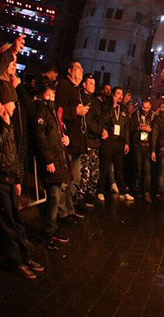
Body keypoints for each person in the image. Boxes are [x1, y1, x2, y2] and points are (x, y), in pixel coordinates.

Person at [0, 77, 43, 278]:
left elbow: (13, 154)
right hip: (0, 180)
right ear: (2, 103)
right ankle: (15, 260)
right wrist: (5, 124)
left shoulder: (7, 123)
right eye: (13, 103)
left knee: (16, 220)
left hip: (10, 180)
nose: (16, 107)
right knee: (6, 221)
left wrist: (18, 179)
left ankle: (24, 256)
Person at [34, 81, 71, 251]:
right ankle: (48, 232)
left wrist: (66, 138)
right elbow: (40, 136)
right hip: (50, 161)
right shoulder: (41, 109)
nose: (51, 98)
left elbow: (57, 132)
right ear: (42, 94)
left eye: (53, 95)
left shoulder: (53, 110)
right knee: (54, 197)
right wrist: (48, 159)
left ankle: (52, 229)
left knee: (55, 197)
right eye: (48, 95)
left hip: (58, 158)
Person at [54, 60, 87, 220]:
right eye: (78, 68)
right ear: (69, 70)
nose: (81, 71)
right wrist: (76, 110)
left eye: (82, 69)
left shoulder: (76, 90)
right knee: (66, 180)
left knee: (75, 179)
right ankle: (62, 211)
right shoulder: (64, 86)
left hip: (77, 141)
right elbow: (58, 111)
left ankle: (69, 208)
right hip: (68, 141)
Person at [97, 87, 133, 203]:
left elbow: (126, 127)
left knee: (119, 167)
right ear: (113, 95)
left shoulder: (123, 108)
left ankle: (123, 191)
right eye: (118, 94)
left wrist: (127, 142)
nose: (120, 96)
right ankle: (100, 191)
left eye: (121, 94)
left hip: (119, 141)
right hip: (109, 140)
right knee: (105, 165)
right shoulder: (106, 106)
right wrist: (112, 107)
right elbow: (103, 120)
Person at [79, 74, 103, 207]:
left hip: (95, 142)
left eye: (94, 84)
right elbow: (87, 121)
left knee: (95, 171)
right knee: (85, 172)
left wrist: (102, 130)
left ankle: (90, 194)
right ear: (84, 84)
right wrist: (100, 130)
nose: (93, 86)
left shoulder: (96, 102)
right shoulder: (82, 99)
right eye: (90, 83)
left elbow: (100, 119)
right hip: (86, 141)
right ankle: (81, 197)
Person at [131, 98, 155, 202]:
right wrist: (138, 128)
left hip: (148, 144)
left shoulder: (154, 116)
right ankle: (137, 190)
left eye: (147, 107)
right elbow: (130, 128)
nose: (145, 109)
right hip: (138, 144)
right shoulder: (136, 114)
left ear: (150, 107)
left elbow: (157, 130)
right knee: (138, 167)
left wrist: (150, 129)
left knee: (147, 169)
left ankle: (146, 192)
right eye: (143, 107)